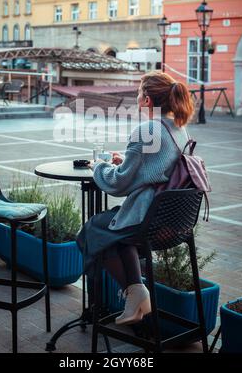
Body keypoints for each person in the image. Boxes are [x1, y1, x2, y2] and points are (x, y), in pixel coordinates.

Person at [76, 71, 194, 326]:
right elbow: (157, 168)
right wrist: (126, 162)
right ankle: (136, 293)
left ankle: (134, 292)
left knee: (92, 232)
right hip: (175, 220)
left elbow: (118, 184)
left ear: (147, 100)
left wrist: (97, 166)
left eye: (139, 93)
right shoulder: (178, 128)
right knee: (110, 229)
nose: (137, 96)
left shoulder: (147, 130)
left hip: (148, 220)